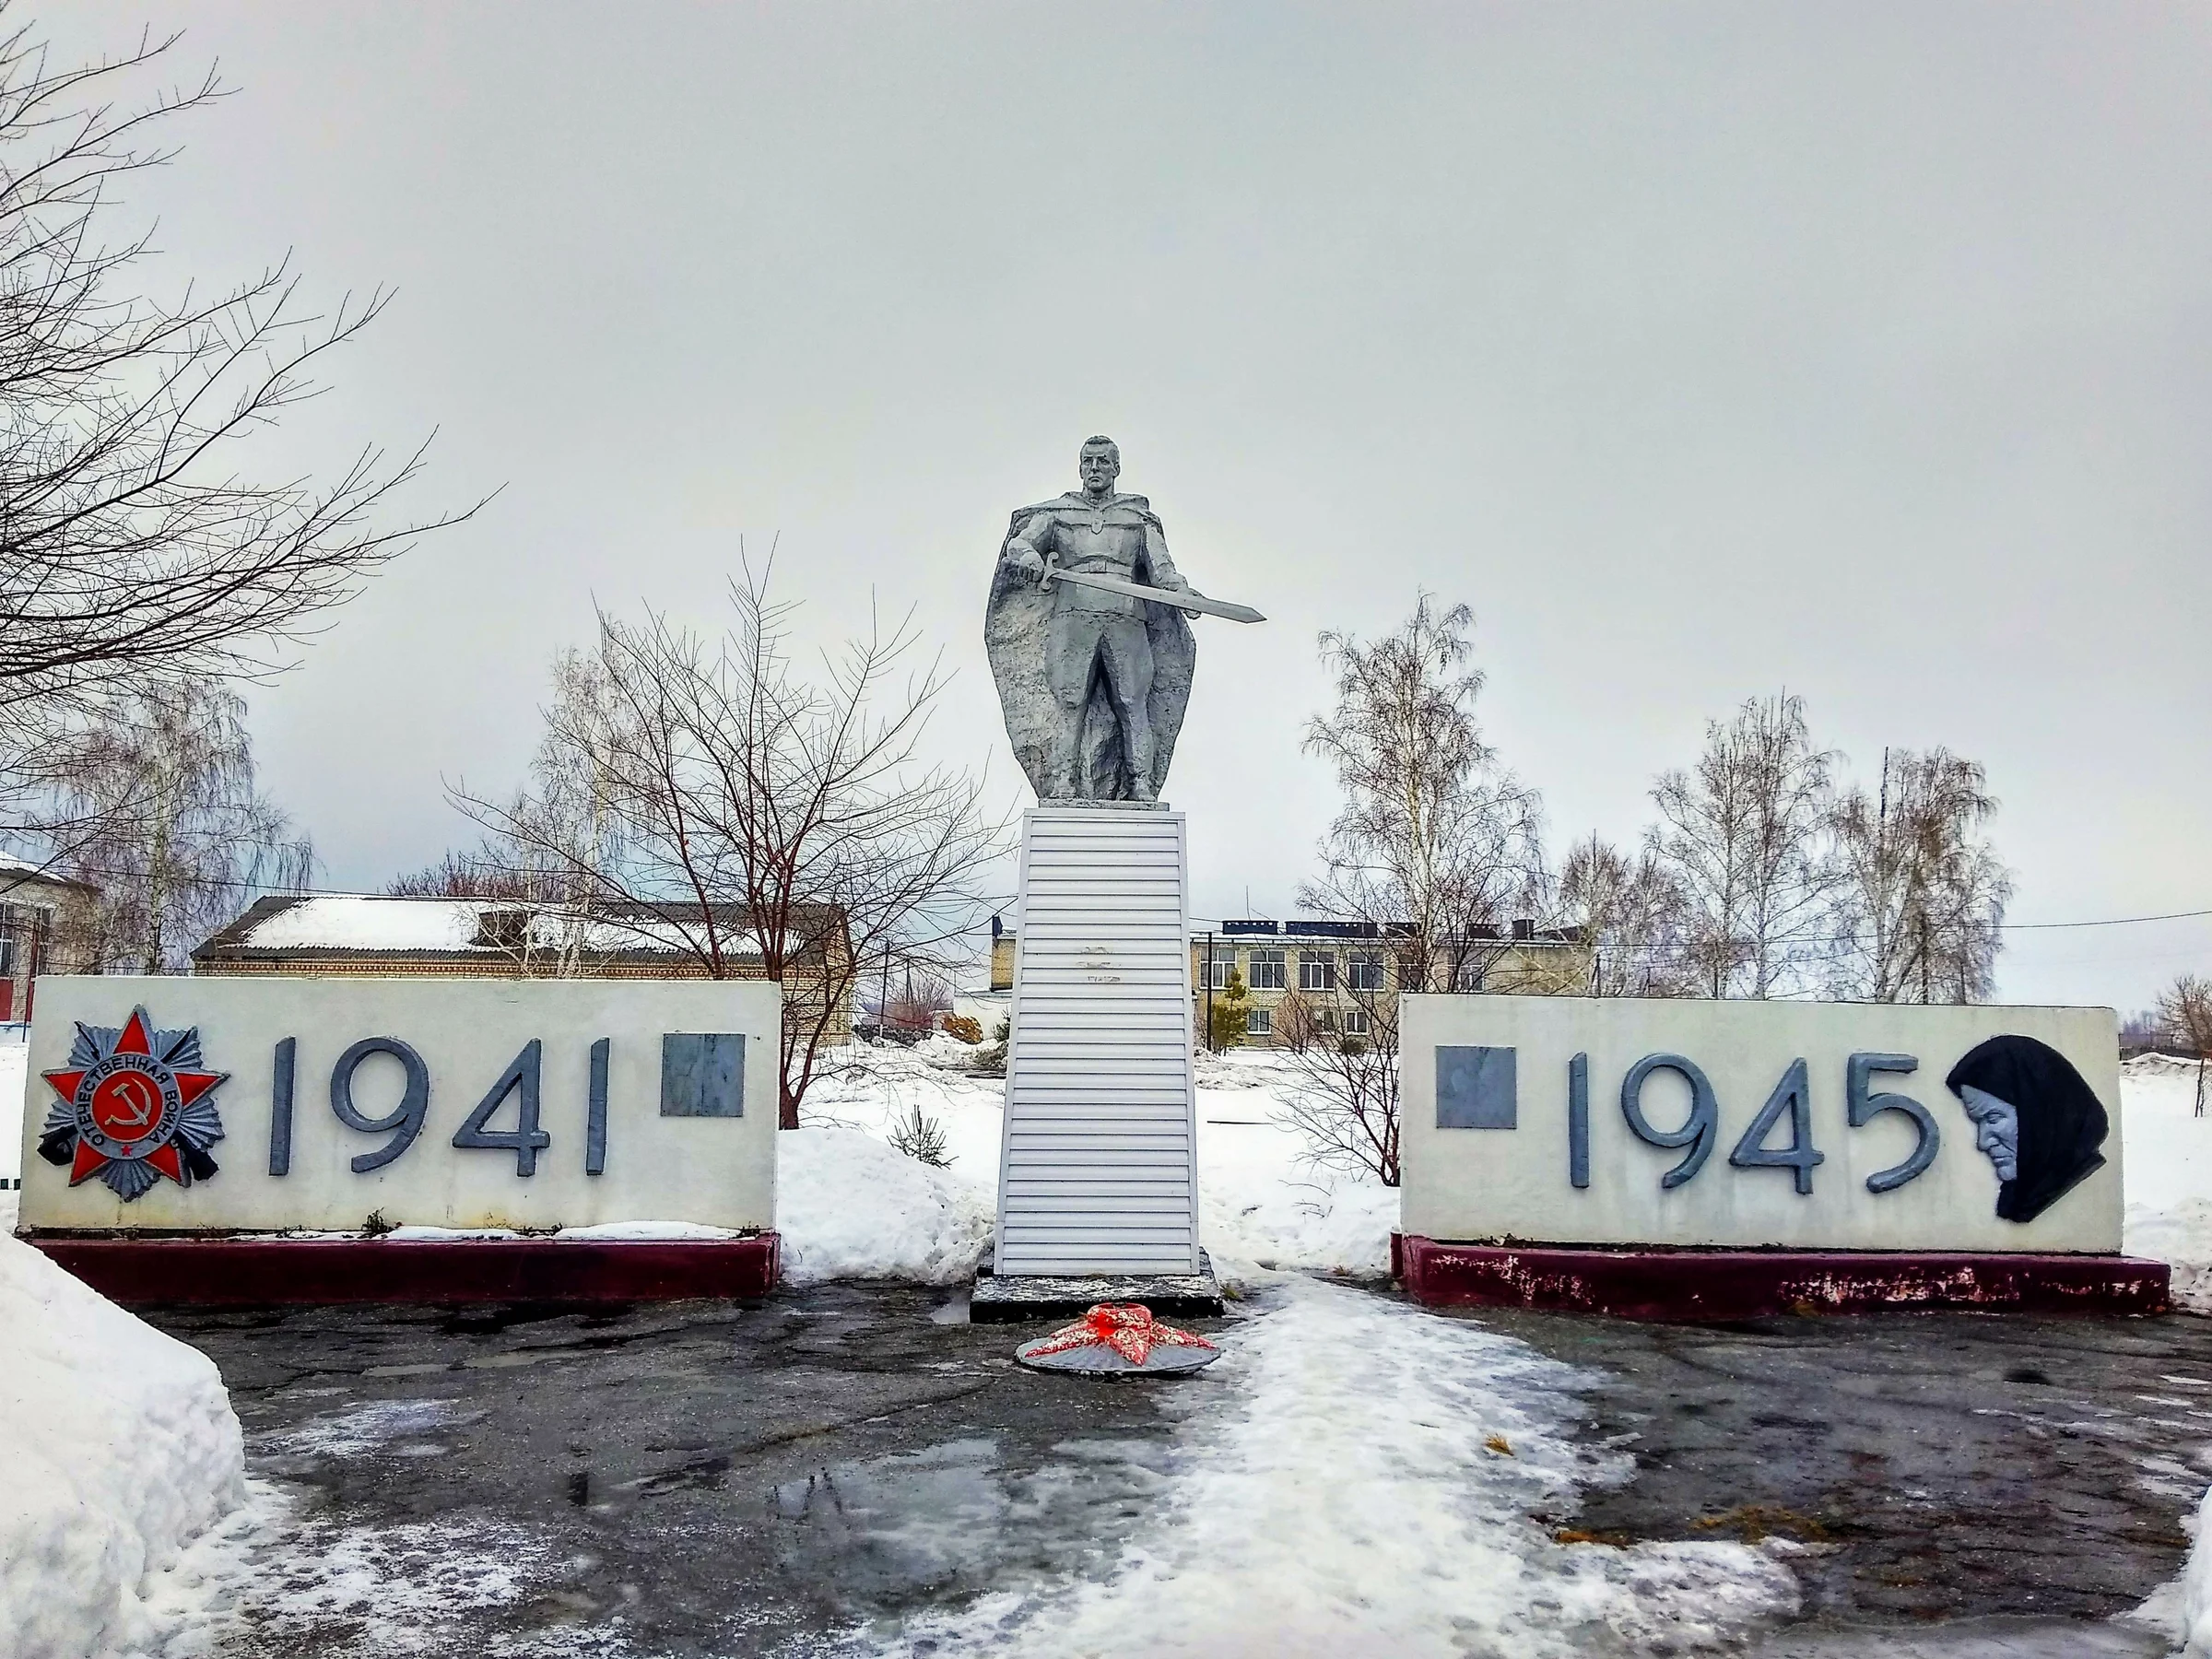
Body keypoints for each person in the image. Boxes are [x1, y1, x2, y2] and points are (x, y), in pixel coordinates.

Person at [994, 437, 1195, 801]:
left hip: (1125, 616)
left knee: (1133, 704)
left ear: (1116, 468)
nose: (1095, 469)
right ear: (1080, 468)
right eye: (1088, 462)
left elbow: (1163, 570)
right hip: (1074, 616)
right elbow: (1020, 545)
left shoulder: (1137, 518)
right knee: (1071, 703)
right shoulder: (1060, 514)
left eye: (1103, 462)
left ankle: (1141, 787)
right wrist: (1030, 560)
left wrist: (1182, 592)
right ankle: (1062, 784)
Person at [1945, 1034, 2110, 1223]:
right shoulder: (2018, 1198)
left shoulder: (2069, 1180)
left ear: (2040, 1112)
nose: (1983, 1142)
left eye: (1993, 1118)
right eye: (1977, 1122)